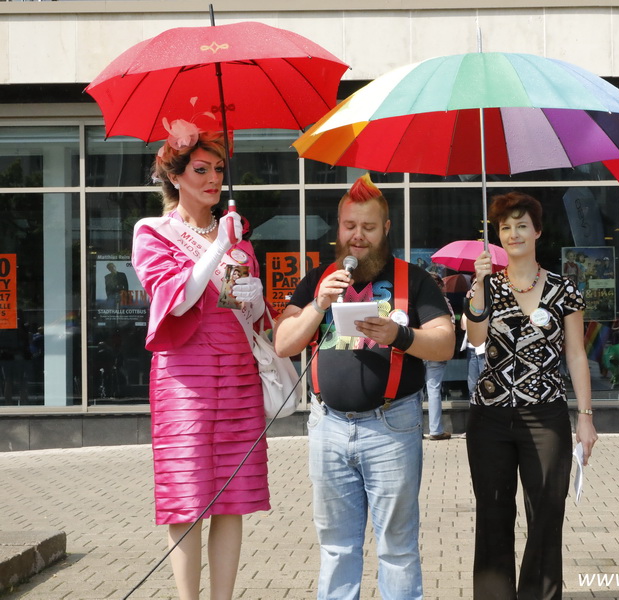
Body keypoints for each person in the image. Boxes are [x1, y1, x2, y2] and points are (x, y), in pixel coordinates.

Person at [273, 174, 455, 600]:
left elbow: (445, 343)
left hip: (392, 427)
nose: (357, 236)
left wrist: (400, 337)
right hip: (328, 427)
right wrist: (319, 304)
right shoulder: (320, 277)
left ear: (386, 229)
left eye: (368, 227)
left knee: (398, 548)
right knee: (336, 548)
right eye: (349, 226)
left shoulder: (414, 280)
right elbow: (283, 342)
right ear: (338, 227)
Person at [131, 121, 270, 600]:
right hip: (184, 376)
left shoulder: (239, 239)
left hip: (235, 371)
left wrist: (253, 298)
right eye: (200, 169)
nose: (213, 178)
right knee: (186, 498)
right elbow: (178, 300)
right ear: (174, 177)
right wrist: (217, 248)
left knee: (233, 498)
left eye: (219, 169)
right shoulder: (152, 232)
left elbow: (251, 320)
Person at [464, 191, 598, 600]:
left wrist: (586, 416)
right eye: (505, 227)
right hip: (489, 417)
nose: (513, 233)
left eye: (522, 225)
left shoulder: (563, 288)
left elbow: (576, 355)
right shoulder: (484, 284)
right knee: (493, 516)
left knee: (546, 517)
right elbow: (476, 339)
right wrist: (481, 286)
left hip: (546, 418)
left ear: (538, 231)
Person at [423, 271, 454, 440]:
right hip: (435, 349)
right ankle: (435, 430)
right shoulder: (444, 302)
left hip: (418, 350)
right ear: (440, 286)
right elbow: (451, 327)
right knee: (433, 389)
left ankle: (416, 430)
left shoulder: (418, 301)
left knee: (416, 392)